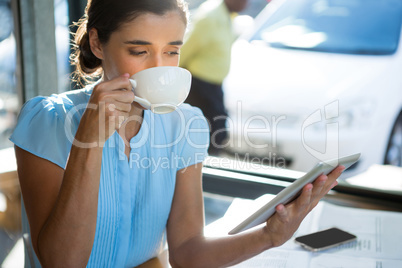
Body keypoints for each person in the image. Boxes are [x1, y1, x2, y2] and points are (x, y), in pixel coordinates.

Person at [10, 0, 345, 267]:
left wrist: (269, 236)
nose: (160, 67)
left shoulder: (185, 125)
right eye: (140, 51)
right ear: (97, 42)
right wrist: (89, 143)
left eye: (171, 50)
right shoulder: (48, 121)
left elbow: (186, 251)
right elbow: (60, 262)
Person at [179, 0, 248, 155]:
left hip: (213, 86)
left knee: (217, 132)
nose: (247, 4)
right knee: (211, 133)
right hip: (200, 85)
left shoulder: (225, 14)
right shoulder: (209, 17)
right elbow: (185, 48)